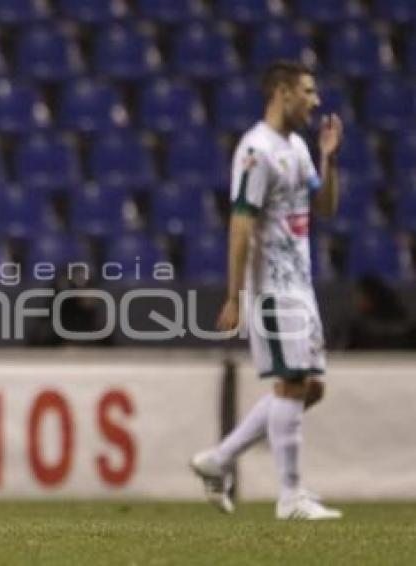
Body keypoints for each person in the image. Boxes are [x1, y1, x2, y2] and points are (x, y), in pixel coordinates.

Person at [190, 61, 343, 520]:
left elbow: (326, 208)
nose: (315, 102)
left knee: (309, 388)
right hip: (273, 286)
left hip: (300, 282)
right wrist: (236, 295)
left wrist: (328, 158)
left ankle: (218, 460)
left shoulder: (296, 146)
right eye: (308, 92)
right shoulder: (257, 150)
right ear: (281, 92)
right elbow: (240, 223)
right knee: (292, 383)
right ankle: (290, 496)